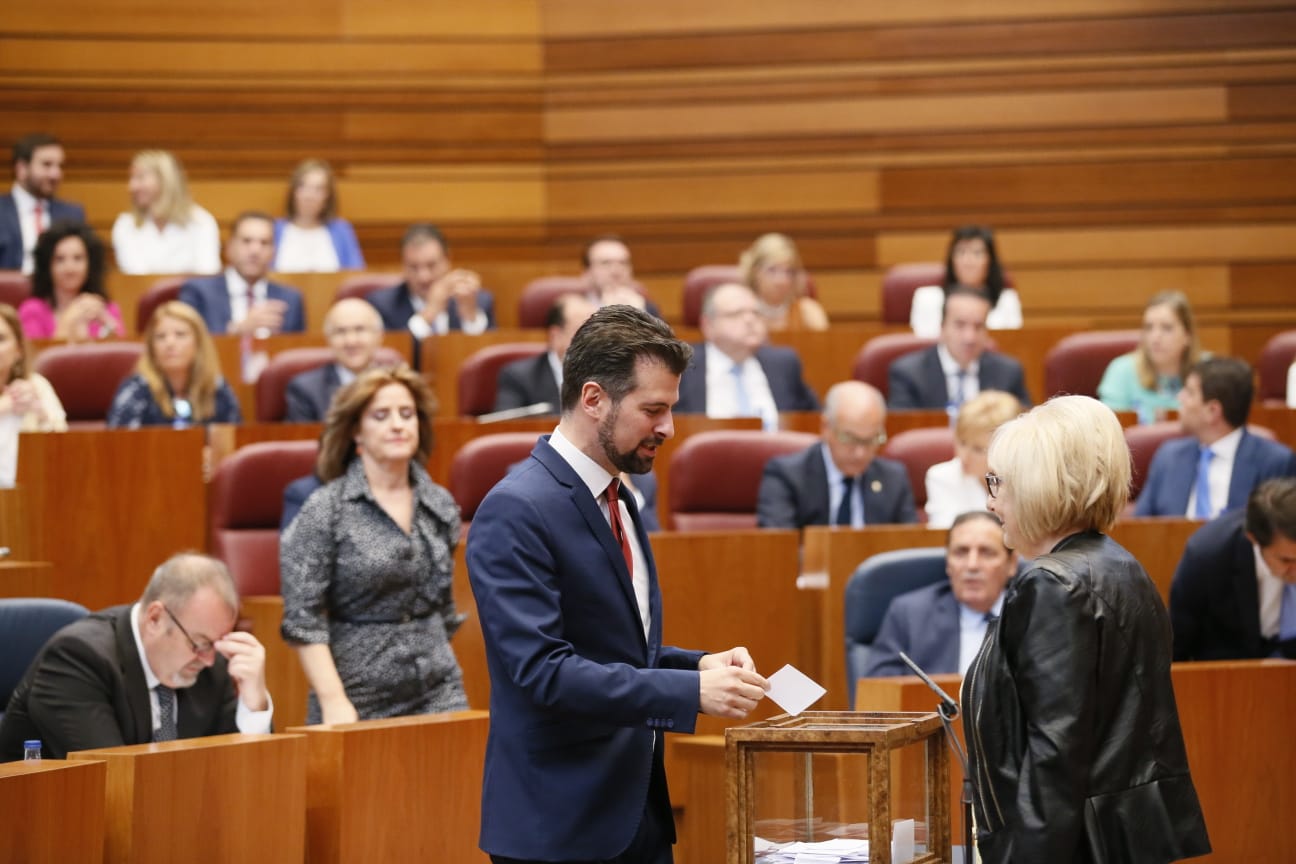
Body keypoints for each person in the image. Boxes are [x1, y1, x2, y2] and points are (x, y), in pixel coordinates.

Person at [466, 305, 769, 863]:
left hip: (636, 814)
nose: (668, 428)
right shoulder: (515, 509)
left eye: (671, 409)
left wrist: (694, 665)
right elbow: (543, 671)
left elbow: (614, 649)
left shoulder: (619, 496)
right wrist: (688, 693)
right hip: (558, 827)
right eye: (653, 409)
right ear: (593, 399)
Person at [966, 394, 1209, 862]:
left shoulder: (1052, 584)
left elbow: (1053, 757)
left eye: (998, 483)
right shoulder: (1121, 566)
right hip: (1120, 838)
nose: (991, 501)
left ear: (1038, 486)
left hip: (1075, 848)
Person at [280, 366, 468, 724]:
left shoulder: (439, 502)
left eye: (406, 414)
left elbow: (443, 604)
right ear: (356, 431)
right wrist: (333, 700)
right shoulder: (326, 509)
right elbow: (302, 618)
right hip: (356, 691)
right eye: (381, 416)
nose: (397, 424)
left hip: (438, 686)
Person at [0, 552, 272, 760]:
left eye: (216, 644)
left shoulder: (208, 665)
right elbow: (114, 782)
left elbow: (242, 778)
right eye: (199, 643)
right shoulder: (77, 660)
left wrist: (254, 704)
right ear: (155, 618)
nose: (210, 659)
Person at [1135, 357, 1296, 518]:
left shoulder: (1274, 463)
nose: (1180, 397)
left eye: (1190, 392)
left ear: (1212, 411)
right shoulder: (1168, 456)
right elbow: (1141, 527)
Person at [861, 511, 1017, 677]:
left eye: (986, 552)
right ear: (948, 563)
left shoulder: (1030, 616)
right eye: (961, 552)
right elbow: (880, 691)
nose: (972, 565)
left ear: (1011, 564)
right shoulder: (909, 615)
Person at [757, 380, 916, 529]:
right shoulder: (787, 476)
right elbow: (781, 549)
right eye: (849, 439)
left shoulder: (893, 478)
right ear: (826, 428)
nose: (860, 453)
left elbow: (909, 547)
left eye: (871, 440)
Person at [1170, 477, 1296, 660]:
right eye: (1286, 560)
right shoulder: (1207, 557)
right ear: (1253, 539)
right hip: (1232, 674)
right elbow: (1177, 645)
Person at [675, 282, 819, 430]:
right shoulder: (682, 366)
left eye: (756, 313)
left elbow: (813, 421)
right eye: (737, 314)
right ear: (708, 325)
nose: (750, 320)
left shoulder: (784, 364)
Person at [888, 287, 1031, 411]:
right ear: (942, 327)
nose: (970, 338)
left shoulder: (1008, 373)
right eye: (960, 325)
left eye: (978, 326)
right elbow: (905, 432)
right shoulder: (909, 374)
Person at [107, 300, 241, 428]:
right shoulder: (135, 390)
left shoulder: (217, 388)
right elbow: (119, 445)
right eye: (160, 336)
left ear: (199, 343)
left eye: (180, 334)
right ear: (151, 346)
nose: (170, 343)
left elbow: (234, 441)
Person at [178, 211, 306, 336]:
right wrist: (237, 330)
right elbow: (191, 343)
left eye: (264, 243)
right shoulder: (199, 293)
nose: (255, 250)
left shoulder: (290, 299)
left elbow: (296, 352)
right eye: (246, 241)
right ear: (229, 248)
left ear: (274, 252)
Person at [368, 223, 495, 337]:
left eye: (431, 265)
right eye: (413, 267)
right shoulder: (383, 305)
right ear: (403, 266)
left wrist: (470, 318)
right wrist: (429, 313)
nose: (424, 277)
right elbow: (394, 354)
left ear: (447, 260)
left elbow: (485, 357)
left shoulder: (480, 301)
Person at [110, 150, 221, 275]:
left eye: (140, 178)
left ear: (165, 180)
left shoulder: (201, 222)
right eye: (132, 178)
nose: (132, 186)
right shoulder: (125, 225)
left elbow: (207, 274)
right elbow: (133, 277)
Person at [1098, 290, 1202, 424]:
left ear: (1188, 335)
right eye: (1148, 327)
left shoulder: (1209, 372)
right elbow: (1109, 432)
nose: (1155, 337)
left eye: (1166, 328)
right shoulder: (1121, 371)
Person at [923, 390, 1021, 528]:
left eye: (978, 449)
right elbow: (947, 534)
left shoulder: (1027, 479)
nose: (963, 456)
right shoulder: (941, 476)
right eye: (962, 442)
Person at [909, 225, 1021, 338]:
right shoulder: (927, 300)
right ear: (951, 260)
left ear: (990, 261)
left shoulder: (1007, 301)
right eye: (961, 252)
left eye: (977, 253)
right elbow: (923, 347)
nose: (968, 261)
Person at [284, 298, 385, 422]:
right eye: (340, 332)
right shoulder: (305, 390)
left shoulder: (396, 387)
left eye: (360, 329)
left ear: (379, 336)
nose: (351, 341)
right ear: (328, 339)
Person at [19, 221, 123, 341]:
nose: (70, 268)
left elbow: (122, 354)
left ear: (90, 263)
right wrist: (69, 318)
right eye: (60, 259)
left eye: (78, 258)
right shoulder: (32, 311)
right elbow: (38, 357)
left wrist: (107, 321)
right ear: (47, 265)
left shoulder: (107, 308)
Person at [493, 293, 596, 413]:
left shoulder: (609, 375)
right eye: (585, 331)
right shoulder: (519, 378)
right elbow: (507, 428)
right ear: (555, 336)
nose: (595, 339)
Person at [0, 303, 67, 486]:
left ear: (19, 350)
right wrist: (5, 405)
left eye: (1, 339)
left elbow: (64, 454)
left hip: (28, 495)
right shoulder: (12, 399)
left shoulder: (37, 386)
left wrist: (41, 414)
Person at [0, 133, 85, 273]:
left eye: (60, 166)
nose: (56, 174)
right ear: (21, 169)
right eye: (47, 165)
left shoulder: (73, 215)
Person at [272, 158, 365, 272]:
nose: (310, 196)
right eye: (303, 187)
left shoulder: (341, 230)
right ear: (293, 192)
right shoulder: (274, 229)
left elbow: (355, 276)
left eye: (318, 189)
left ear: (328, 196)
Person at [738, 232, 828, 332]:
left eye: (788, 271)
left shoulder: (808, 312)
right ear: (755, 272)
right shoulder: (740, 312)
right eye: (772, 270)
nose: (781, 280)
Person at [581, 234, 661, 317]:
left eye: (623, 263)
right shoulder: (571, 310)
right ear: (587, 271)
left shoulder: (648, 309)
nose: (616, 271)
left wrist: (639, 315)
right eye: (606, 263)